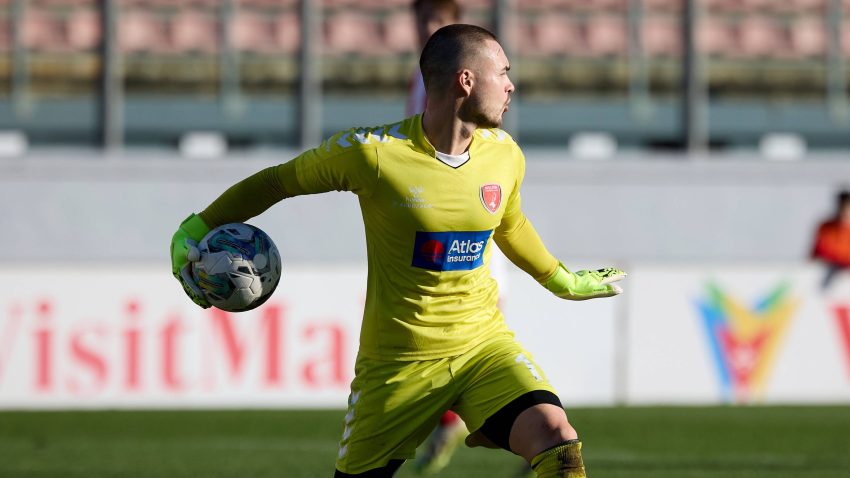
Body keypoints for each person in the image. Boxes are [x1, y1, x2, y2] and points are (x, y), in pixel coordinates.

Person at [170, 24, 625, 478]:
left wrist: (562, 280)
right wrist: (196, 228)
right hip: (398, 365)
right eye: (503, 72)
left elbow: (511, 224)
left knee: (558, 441)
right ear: (466, 81)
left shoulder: (505, 155)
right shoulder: (374, 155)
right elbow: (277, 181)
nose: (511, 85)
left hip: (483, 347)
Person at [405, 1, 470, 475]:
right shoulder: (422, 79)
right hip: (430, 223)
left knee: (472, 335)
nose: (426, 28)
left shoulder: (465, 79)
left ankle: (541, 428)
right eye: (421, 19)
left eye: (435, 20)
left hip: (464, 224)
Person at [812, 190, 850, 289]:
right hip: (826, 282)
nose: (844, 212)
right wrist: (842, 261)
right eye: (842, 207)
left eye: (847, 208)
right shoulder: (826, 227)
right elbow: (820, 250)